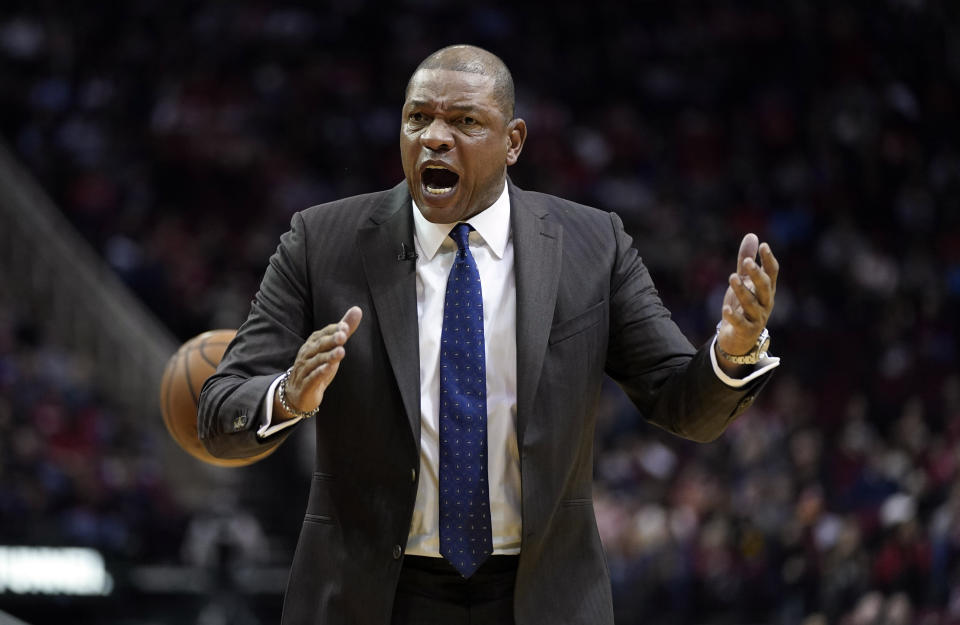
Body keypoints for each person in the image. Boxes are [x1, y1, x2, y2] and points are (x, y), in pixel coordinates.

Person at [198, 44, 780, 625]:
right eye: (418, 117)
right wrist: (286, 397)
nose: (434, 137)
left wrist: (732, 351)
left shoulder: (592, 245)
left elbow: (680, 402)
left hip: (542, 597)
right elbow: (221, 412)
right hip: (370, 595)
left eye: (465, 121)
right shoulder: (321, 241)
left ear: (514, 142)